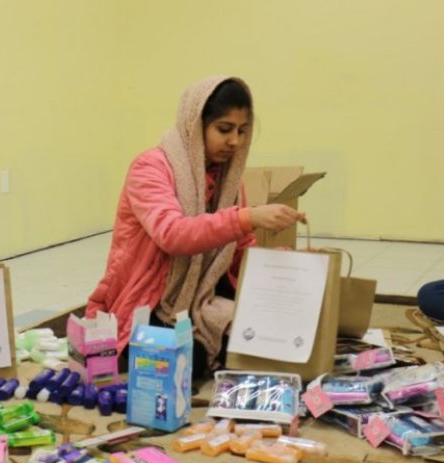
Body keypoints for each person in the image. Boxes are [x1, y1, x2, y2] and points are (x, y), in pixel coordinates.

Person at [85, 76, 305, 379]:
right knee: (190, 362)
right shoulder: (150, 168)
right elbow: (173, 235)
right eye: (224, 129)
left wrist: (280, 265)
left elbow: (239, 252)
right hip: (152, 299)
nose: (235, 141)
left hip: (201, 295)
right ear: (195, 124)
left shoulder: (227, 179)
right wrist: (246, 218)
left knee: (264, 337)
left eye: (242, 131)